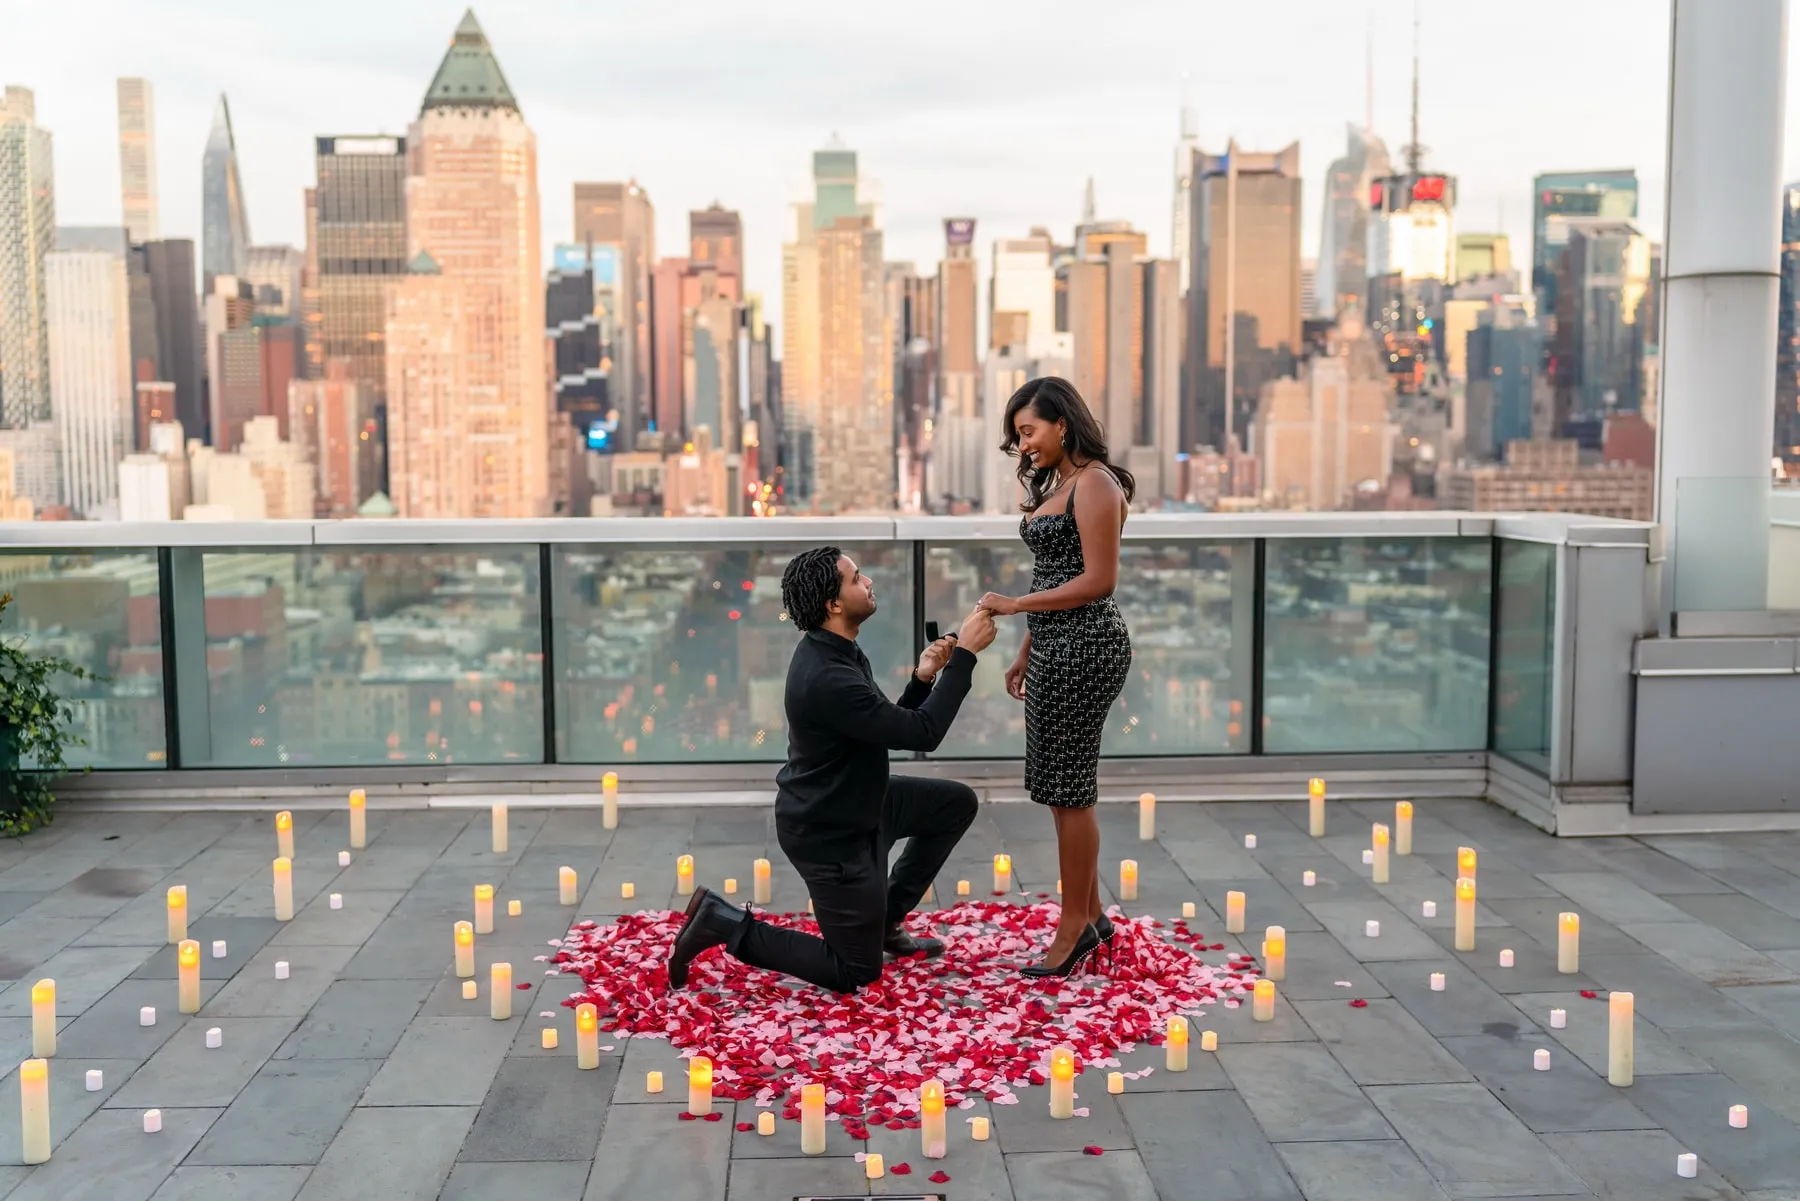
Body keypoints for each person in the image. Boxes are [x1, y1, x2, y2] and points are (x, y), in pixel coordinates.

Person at [667, 546, 998, 994]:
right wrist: (966, 656)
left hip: (864, 800)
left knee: (954, 805)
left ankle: (884, 922)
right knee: (855, 971)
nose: (869, 582)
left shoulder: (837, 650)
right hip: (829, 833)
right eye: (857, 578)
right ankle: (723, 923)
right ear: (833, 605)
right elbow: (924, 734)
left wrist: (922, 679)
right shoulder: (828, 676)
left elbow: (884, 726)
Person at [977, 376, 1134, 977]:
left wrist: (1016, 606)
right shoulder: (1063, 483)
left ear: (1062, 423)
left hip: (1087, 647)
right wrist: (1027, 647)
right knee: (1058, 788)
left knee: (1071, 792)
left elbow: (1098, 581)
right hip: (1054, 646)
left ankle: (1074, 929)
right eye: (1017, 436)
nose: (1023, 446)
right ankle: (1089, 915)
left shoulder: (1095, 482)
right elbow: (1055, 574)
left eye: (1029, 431)